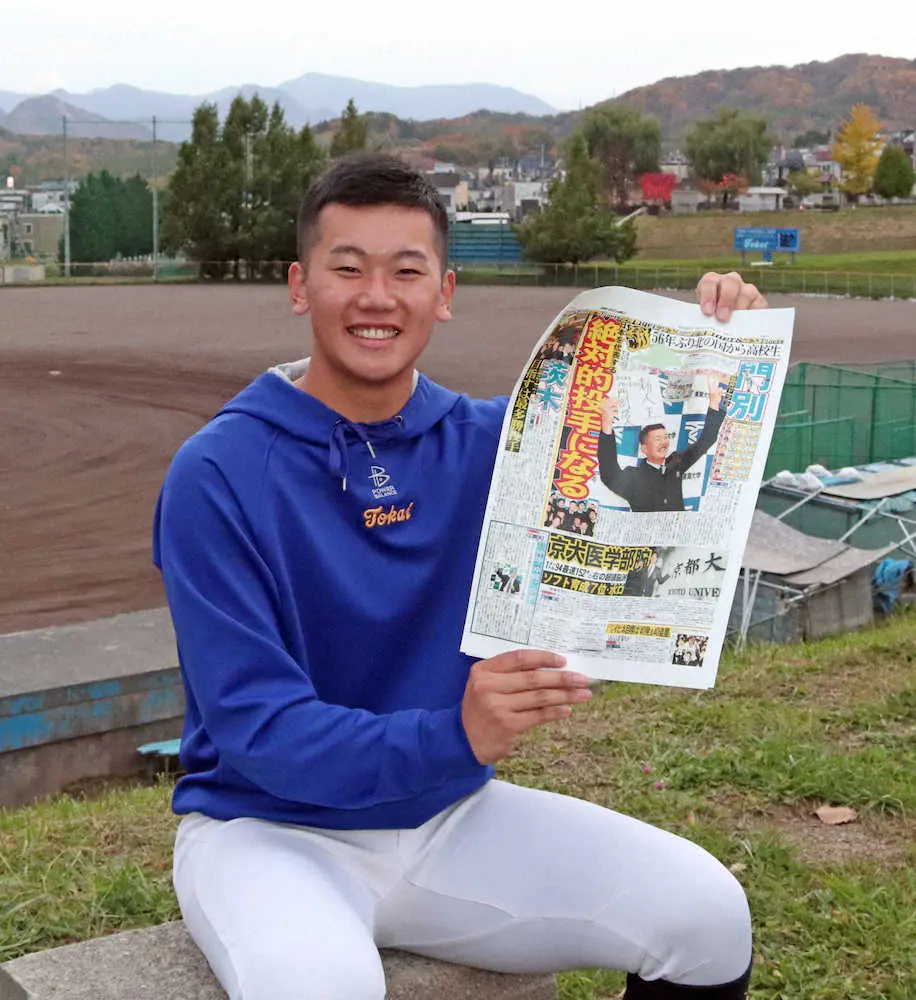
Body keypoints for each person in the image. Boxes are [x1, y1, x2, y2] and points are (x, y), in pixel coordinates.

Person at [153, 153, 767, 1000]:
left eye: (407, 271)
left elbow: (658, 483)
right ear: (301, 286)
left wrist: (726, 348)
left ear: (443, 293)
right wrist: (457, 735)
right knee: (319, 984)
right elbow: (258, 728)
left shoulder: (497, 443)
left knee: (707, 917)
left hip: (448, 811)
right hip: (265, 828)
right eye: (348, 268)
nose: (378, 297)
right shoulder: (216, 472)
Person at [597, 376, 726, 513]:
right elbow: (610, 474)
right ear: (644, 448)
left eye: (665, 437)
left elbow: (706, 441)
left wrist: (713, 401)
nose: (664, 442)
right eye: (657, 439)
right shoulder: (634, 476)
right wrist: (606, 422)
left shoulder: (676, 462)